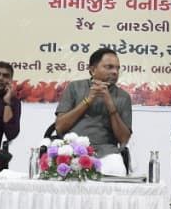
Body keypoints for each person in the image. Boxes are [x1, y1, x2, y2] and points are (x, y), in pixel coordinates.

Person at [54, 47, 133, 176]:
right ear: (92, 70)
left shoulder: (123, 97)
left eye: (117, 68)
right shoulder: (74, 88)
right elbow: (60, 127)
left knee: (117, 171)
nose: (115, 72)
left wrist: (111, 107)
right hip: (74, 149)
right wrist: (88, 100)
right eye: (109, 67)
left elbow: (124, 139)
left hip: (107, 152)